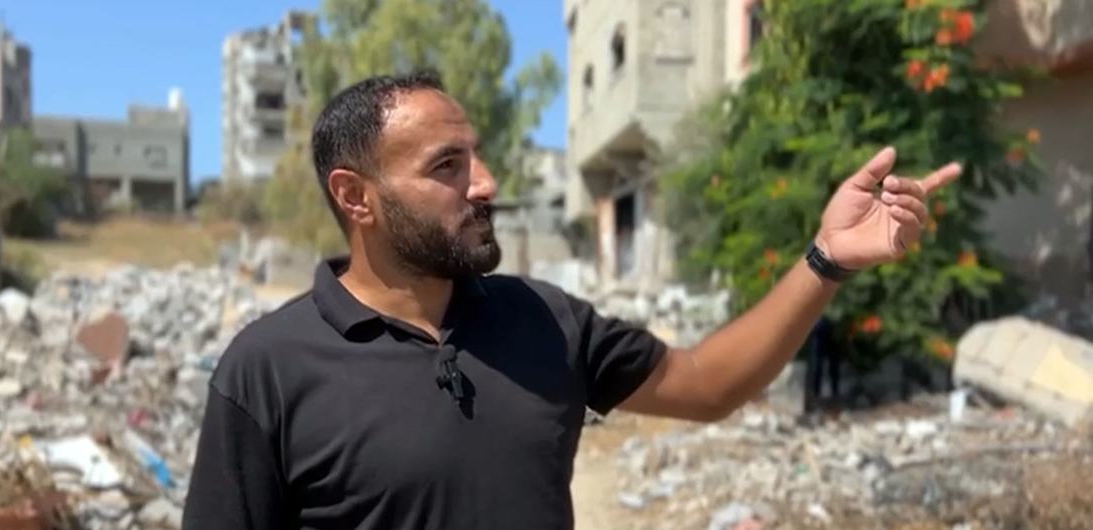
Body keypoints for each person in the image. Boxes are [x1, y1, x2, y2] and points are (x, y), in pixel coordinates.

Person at [181, 70, 960, 530]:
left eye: (477, 156)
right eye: (447, 165)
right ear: (357, 198)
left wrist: (825, 261)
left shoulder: (544, 320)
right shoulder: (268, 371)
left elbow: (710, 385)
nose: (485, 182)